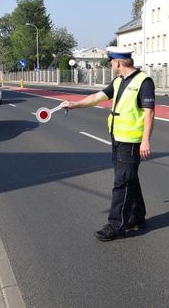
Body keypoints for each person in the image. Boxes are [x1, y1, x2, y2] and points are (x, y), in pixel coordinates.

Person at [61, 46, 155, 241]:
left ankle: (116, 225)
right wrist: (74, 104)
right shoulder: (119, 81)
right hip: (117, 138)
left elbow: (149, 112)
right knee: (130, 179)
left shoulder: (143, 82)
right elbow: (97, 97)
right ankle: (137, 216)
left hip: (131, 141)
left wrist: (146, 139)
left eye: (112, 61)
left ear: (118, 62)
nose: (111, 65)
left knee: (122, 182)